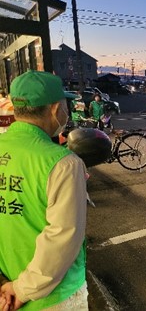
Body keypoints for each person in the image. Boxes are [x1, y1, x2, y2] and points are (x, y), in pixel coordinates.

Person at [0, 70, 89, 310]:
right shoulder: (63, 163)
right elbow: (62, 238)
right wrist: (21, 289)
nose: (65, 112)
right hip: (53, 297)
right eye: (64, 105)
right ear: (53, 109)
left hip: (5, 291)